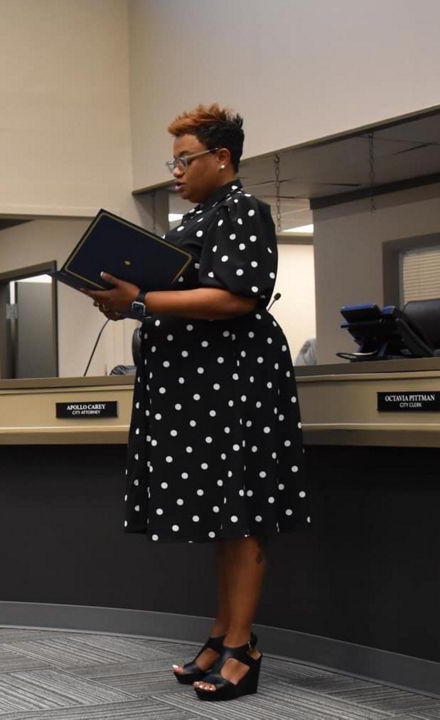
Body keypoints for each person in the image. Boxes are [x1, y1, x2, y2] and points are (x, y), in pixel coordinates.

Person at [86, 104, 311, 702]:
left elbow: (239, 298)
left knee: (243, 513)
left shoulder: (246, 211)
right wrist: (127, 298)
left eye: (186, 161)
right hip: (196, 385)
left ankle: (242, 647)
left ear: (223, 159)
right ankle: (224, 632)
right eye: (174, 161)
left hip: (235, 382)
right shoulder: (199, 216)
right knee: (222, 518)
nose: (177, 172)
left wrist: (140, 303)